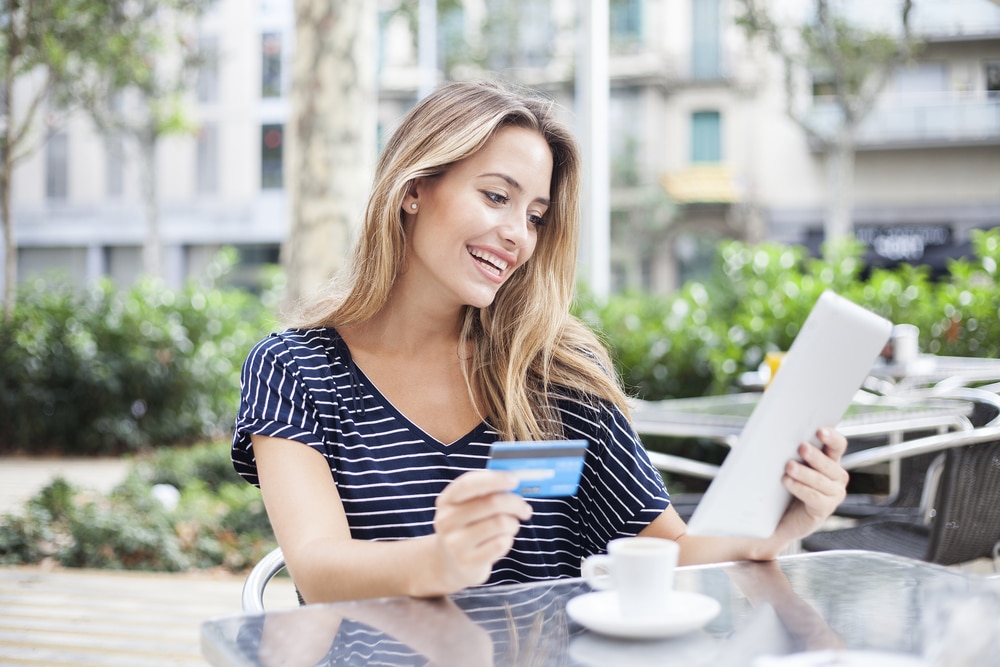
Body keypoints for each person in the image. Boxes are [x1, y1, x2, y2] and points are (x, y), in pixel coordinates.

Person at [232, 79, 849, 604]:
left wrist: (772, 533)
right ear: (414, 188)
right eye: (496, 196)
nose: (516, 236)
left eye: (534, 216)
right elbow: (317, 567)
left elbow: (670, 552)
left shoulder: (557, 376)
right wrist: (443, 562)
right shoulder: (295, 369)